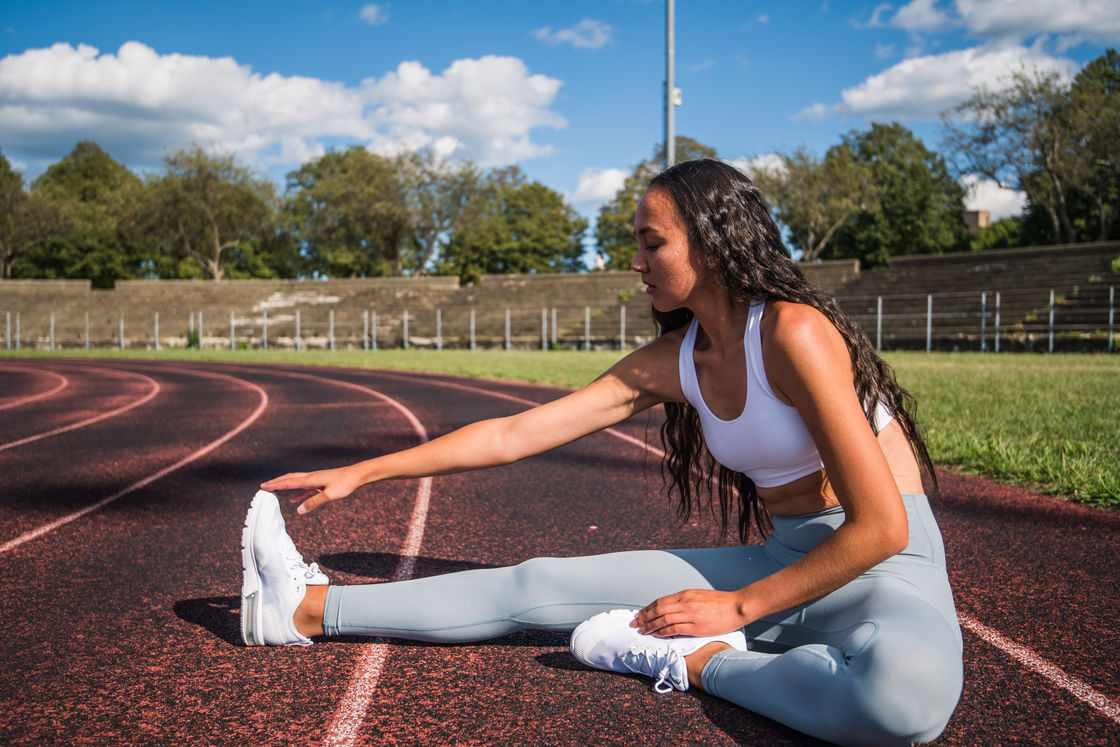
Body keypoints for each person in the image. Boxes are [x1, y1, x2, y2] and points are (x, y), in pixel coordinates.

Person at [243, 159, 963, 746]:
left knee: (902, 703)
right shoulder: (676, 358)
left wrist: (732, 611)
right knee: (536, 583)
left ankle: (703, 665)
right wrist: (365, 470)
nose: (636, 261)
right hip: (785, 563)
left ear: (710, 245)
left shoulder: (794, 332)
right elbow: (516, 432)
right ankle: (305, 607)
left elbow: (882, 529)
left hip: (886, 574)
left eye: (653, 243)